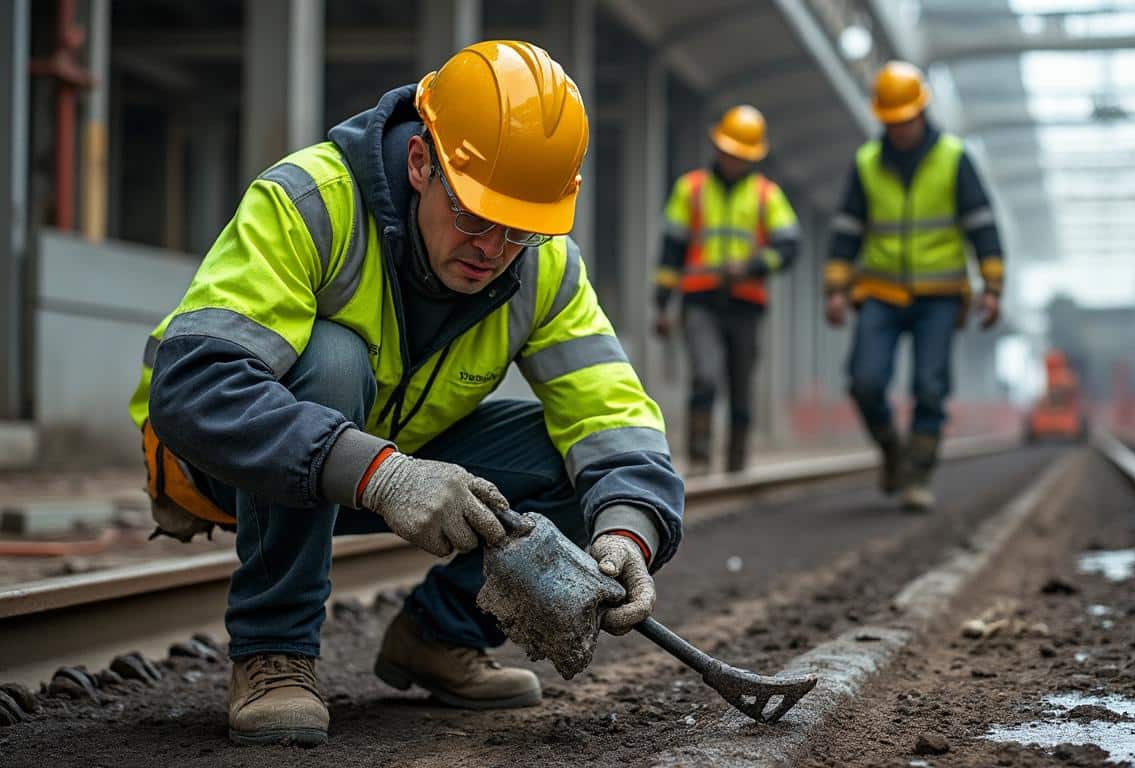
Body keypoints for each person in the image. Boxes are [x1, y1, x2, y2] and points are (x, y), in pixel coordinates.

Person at [127, 41, 683, 747]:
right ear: (422, 163)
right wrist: (382, 473)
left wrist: (627, 530)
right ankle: (274, 652)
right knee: (332, 361)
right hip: (223, 457)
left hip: (383, 456)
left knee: (587, 464)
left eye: (518, 231)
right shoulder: (310, 201)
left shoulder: (544, 268)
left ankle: (436, 637)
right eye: (476, 216)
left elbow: (614, 416)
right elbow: (195, 387)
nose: (492, 248)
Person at [824, 61, 1005, 511]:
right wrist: (835, 288)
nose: (900, 128)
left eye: (906, 119)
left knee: (930, 386)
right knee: (864, 381)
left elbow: (982, 224)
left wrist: (993, 285)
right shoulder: (867, 164)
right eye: (892, 121)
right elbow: (846, 229)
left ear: (922, 112)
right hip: (880, 293)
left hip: (939, 295)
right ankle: (892, 450)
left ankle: (918, 476)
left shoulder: (954, 159)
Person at [652, 105, 801, 475]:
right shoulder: (691, 190)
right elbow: (671, 250)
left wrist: (751, 266)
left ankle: (736, 465)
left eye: (740, 155)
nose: (732, 159)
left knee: (740, 386)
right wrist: (661, 304)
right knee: (704, 375)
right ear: (717, 147)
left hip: (746, 304)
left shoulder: (767, 195)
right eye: (728, 151)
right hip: (699, 298)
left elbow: (789, 247)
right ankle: (700, 459)